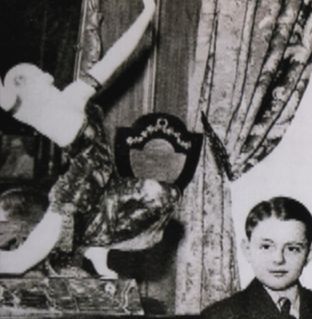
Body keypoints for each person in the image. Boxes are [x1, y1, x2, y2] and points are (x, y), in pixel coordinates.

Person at [0, 0, 178, 278]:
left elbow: (115, 58)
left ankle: (96, 245)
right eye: (36, 73)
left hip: (104, 185)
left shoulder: (75, 94)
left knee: (163, 194)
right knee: (17, 263)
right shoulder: (33, 112)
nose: (47, 74)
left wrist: (147, 13)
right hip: (75, 195)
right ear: (24, 86)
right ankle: (93, 246)